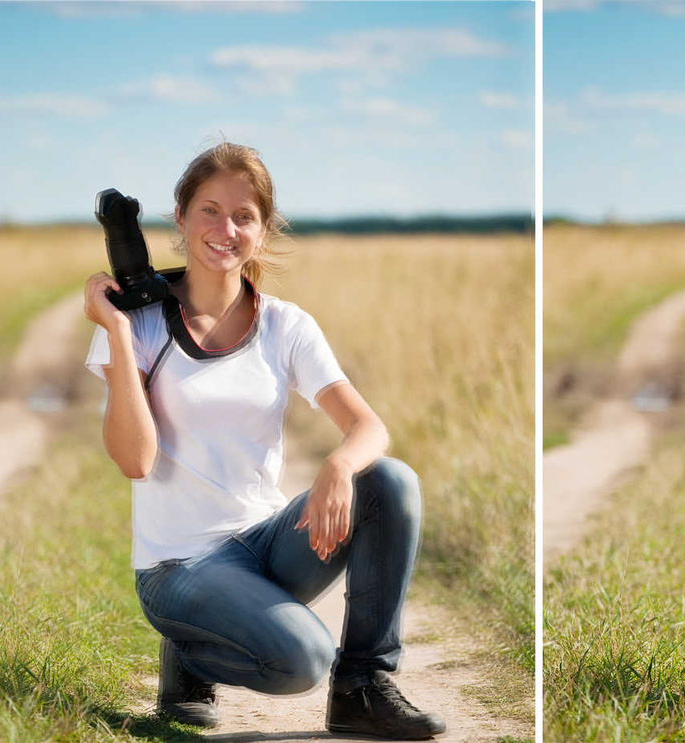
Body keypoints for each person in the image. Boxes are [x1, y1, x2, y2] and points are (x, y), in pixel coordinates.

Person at [83, 142, 446, 740]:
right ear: (179, 218)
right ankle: (188, 653)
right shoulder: (140, 324)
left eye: (244, 216)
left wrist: (337, 464)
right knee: (302, 660)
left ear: (263, 230)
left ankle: (363, 687)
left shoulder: (285, 325)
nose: (225, 229)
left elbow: (369, 428)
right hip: (179, 567)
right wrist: (120, 336)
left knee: (389, 480)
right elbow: (134, 458)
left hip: (263, 547)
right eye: (209, 210)